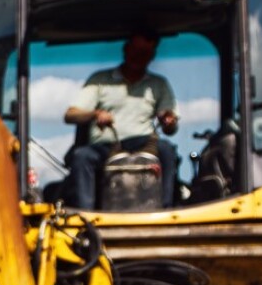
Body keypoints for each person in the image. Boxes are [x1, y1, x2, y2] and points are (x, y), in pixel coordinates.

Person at [63, 30, 179, 209]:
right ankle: (86, 215)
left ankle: (166, 209)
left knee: (167, 151)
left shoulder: (158, 84)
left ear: (152, 56)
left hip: (145, 143)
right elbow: (71, 114)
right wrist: (95, 114)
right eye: (136, 51)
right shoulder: (100, 80)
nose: (139, 57)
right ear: (126, 50)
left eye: (145, 53)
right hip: (105, 146)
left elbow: (170, 128)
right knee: (81, 156)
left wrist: (168, 121)